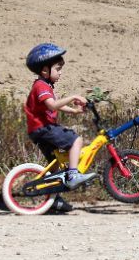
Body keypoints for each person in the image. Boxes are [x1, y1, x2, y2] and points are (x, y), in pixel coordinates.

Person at [24, 43, 96, 213]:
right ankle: (73, 175)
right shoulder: (41, 86)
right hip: (43, 128)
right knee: (76, 140)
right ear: (44, 71)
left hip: (39, 130)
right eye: (58, 69)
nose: (60, 73)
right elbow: (53, 105)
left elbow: (52, 106)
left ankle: (54, 200)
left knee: (54, 167)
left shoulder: (45, 86)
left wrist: (73, 111)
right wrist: (73, 97)